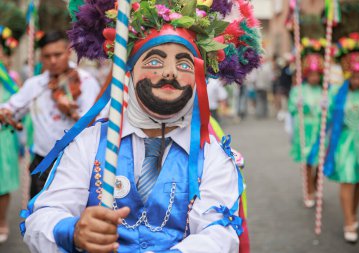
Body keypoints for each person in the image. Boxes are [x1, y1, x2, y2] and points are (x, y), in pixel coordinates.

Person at [21, 0, 263, 252]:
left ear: (198, 78)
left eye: (183, 64)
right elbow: (40, 219)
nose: (170, 73)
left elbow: (218, 234)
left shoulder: (212, 155)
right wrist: (72, 230)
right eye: (155, 62)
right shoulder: (89, 143)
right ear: (129, 73)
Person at [0, 31, 101, 199]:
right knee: (37, 215)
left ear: (68, 52)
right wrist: (5, 112)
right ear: (41, 58)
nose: (53, 61)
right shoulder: (35, 84)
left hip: (76, 164)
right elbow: (12, 107)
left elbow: (97, 123)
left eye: (58, 55)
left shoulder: (86, 81)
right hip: (42, 162)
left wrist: (71, 112)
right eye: (47, 56)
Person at [324, 34, 359, 243]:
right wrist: (324, 107)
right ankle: (348, 221)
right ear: (347, 75)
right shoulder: (337, 94)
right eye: (353, 76)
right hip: (345, 144)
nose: (357, 80)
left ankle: (354, 213)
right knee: (347, 179)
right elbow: (328, 117)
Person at [0, 1, 25, 243]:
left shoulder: (11, 78)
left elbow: (20, 107)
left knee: (3, 184)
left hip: (3, 137)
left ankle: (2, 222)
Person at [288, 43, 324, 208]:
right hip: (304, 130)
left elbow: (329, 114)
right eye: (311, 74)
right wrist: (298, 104)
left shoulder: (324, 91)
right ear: (307, 74)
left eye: (317, 75)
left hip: (320, 131)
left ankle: (315, 185)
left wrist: (326, 106)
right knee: (307, 162)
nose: (314, 78)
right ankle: (308, 190)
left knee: (319, 162)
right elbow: (291, 108)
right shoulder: (299, 90)